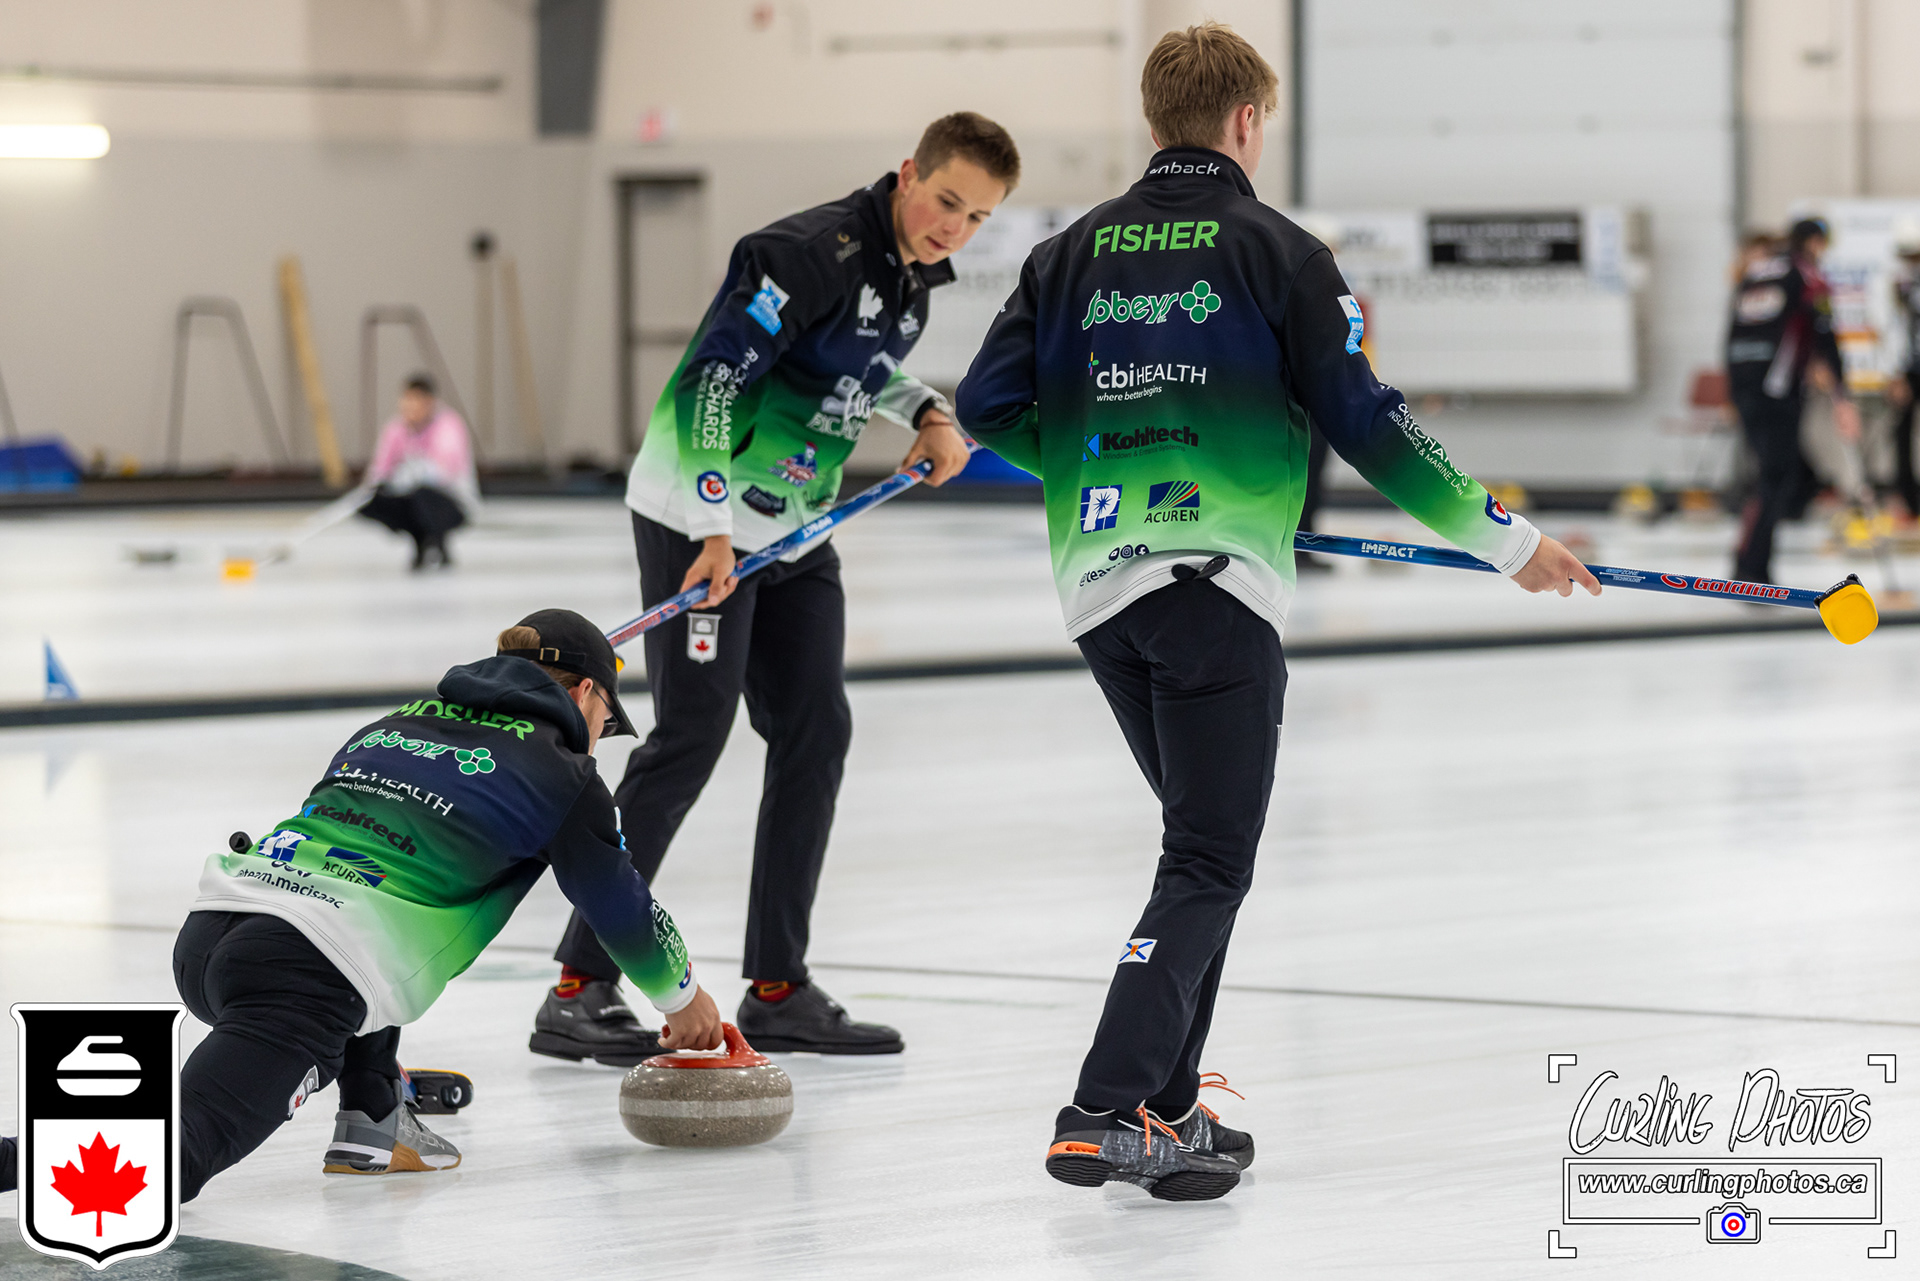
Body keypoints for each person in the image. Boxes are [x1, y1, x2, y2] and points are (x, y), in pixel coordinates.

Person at [954, 22, 1598, 1201]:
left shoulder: (1065, 254)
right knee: (1208, 857)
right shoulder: (1283, 252)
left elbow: (988, 408)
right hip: (1212, 590)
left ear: (1154, 121)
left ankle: (1167, 1110)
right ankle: (1104, 1108)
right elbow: (1369, 421)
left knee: (1199, 851)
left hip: (1101, 590)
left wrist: (1108, 464)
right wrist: (1509, 543)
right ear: (1247, 121)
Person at [527, 113, 1020, 1067]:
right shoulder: (799, 254)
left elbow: (855, 367)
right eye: (946, 202)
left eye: (977, 218)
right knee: (690, 738)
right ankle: (579, 986)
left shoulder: (909, 278)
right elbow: (713, 386)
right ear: (908, 173)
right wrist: (712, 524)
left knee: (816, 729)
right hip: (700, 518)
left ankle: (780, 985)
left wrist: (927, 409)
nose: (954, 228)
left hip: (795, 528)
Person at [0, 611, 725, 1203]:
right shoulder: (564, 775)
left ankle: (373, 1114)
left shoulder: (394, 723)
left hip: (214, 929)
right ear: (588, 692)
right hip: (301, 976)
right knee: (159, 1160)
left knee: (381, 914)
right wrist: (684, 998)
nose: (600, 739)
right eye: (606, 720)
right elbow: (620, 904)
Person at [1725, 217, 1861, 584]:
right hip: (1777, 389)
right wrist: (1843, 397)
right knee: (1775, 478)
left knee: (1772, 475)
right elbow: (1825, 332)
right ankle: (1751, 567)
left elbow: (1733, 330)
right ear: (1815, 242)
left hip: (1744, 385)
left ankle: (1750, 561)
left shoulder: (1755, 272)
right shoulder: (1806, 275)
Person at [359, 373, 479, 570]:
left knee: (423, 495)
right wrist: (378, 486)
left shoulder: (449, 425)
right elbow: (378, 470)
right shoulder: (396, 428)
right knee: (375, 500)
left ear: (430, 402)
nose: (410, 407)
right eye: (407, 400)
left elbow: (444, 472)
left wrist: (408, 473)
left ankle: (438, 538)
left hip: (450, 501)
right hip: (412, 497)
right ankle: (418, 539)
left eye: (416, 401)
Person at [1884, 221, 1920, 517]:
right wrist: (1895, 373)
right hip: (1909, 369)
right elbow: (1893, 329)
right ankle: (1908, 500)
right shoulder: (1898, 284)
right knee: (1902, 434)